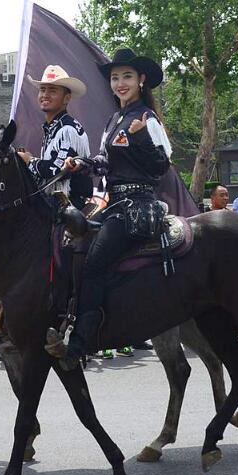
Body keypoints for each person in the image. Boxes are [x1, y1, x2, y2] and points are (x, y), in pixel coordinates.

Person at [53, 48, 171, 361]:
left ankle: (82, 342)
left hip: (138, 206)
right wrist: (82, 163)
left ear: (141, 80)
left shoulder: (147, 119)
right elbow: (106, 161)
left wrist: (142, 138)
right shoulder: (115, 119)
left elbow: (162, 166)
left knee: (93, 263)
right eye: (115, 78)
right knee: (71, 239)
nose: (120, 83)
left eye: (127, 77)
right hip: (114, 203)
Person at [17, 64, 93, 207]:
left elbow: (55, 171)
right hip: (55, 199)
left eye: (52, 90)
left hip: (69, 201)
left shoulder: (67, 129)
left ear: (66, 98)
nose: (45, 95)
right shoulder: (54, 126)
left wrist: (29, 161)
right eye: (42, 89)